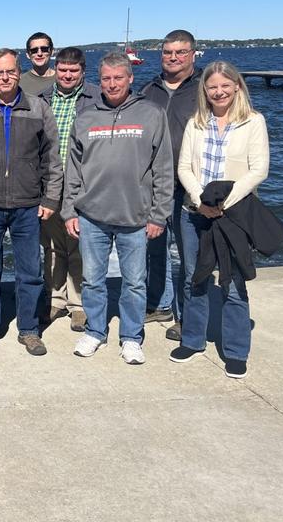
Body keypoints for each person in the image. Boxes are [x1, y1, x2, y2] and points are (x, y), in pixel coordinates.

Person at [62, 52, 173, 365]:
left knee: (134, 282)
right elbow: (73, 167)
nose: (112, 84)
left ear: (130, 78)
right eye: (106, 78)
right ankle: (96, 330)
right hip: (92, 216)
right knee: (92, 279)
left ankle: (131, 336)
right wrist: (69, 210)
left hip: (135, 217)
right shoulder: (85, 117)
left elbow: (163, 166)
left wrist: (159, 214)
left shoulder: (151, 114)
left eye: (118, 78)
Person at [0, 49, 63, 356]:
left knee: (29, 270)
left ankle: (29, 329)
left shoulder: (39, 109)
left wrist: (50, 197)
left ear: (19, 73)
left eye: (11, 72)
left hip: (28, 204)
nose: (5, 78)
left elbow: (52, 159)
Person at [172, 61, 269, 379]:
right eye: (212, 86)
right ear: (205, 90)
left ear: (237, 86)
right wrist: (201, 199)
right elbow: (184, 167)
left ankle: (237, 350)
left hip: (234, 215)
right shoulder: (196, 122)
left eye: (225, 85)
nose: (219, 91)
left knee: (233, 281)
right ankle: (193, 340)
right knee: (193, 278)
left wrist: (224, 202)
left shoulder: (253, 122)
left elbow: (259, 170)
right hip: (194, 213)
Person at [141, 30, 204, 340]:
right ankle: (161, 303)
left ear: (193, 54)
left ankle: (187, 316)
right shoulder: (149, 89)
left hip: (190, 183)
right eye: (168, 52)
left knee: (189, 254)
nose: (174, 58)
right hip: (153, 182)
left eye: (180, 52)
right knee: (155, 248)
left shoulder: (204, 88)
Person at [37, 47, 102, 332]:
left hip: (81, 182)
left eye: (73, 71)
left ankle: (78, 304)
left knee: (78, 244)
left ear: (82, 72)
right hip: (49, 182)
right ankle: (56, 298)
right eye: (62, 70)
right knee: (51, 246)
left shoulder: (96, 97)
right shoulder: (43, 98)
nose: (67, 75)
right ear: (56, 70)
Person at [18, 32, 57, 96]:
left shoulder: (63, 79)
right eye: (34, 50)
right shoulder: (19, 83)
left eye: (44, 49)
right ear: (28, 55)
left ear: (52, 52)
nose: (39, 53)